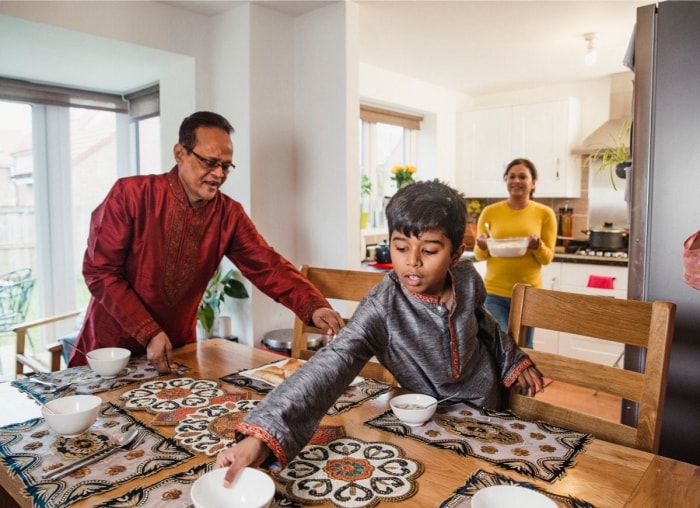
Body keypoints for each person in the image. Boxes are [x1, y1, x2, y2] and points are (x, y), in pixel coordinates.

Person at [215, 179, 544, 486]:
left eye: (429, 251)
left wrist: (514, 359)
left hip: (490, 409)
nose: (412, 262)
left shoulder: (468, 276)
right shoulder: (381, 309)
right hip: (429, 422)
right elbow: (331, 361)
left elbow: (483, 322)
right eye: (400, 248)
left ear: (455, 253)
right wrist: (259, 438)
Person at [70, 111, 344, 373]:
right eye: (210, 162)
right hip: (110, 351)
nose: (219, 174)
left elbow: (267, 265)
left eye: (226, 166)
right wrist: (149, 332)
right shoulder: (130, 195)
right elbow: (100, 272)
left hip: (174, 351)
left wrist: (313, 305)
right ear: (180, 153)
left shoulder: (228, 214)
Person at [473, 158, 557, 349]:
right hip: (494, 291)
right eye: (511, 176)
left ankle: (526, 381)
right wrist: (482, 245)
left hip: (529, 292)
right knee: (500, 344)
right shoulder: (490, 212)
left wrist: (537, 246)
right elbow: (480, 255)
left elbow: (547, 257)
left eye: (522, 176)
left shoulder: (545, 213)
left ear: (533, 182)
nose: (516, 181)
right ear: (506, 181)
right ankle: (499, 380)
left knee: (525, 347)